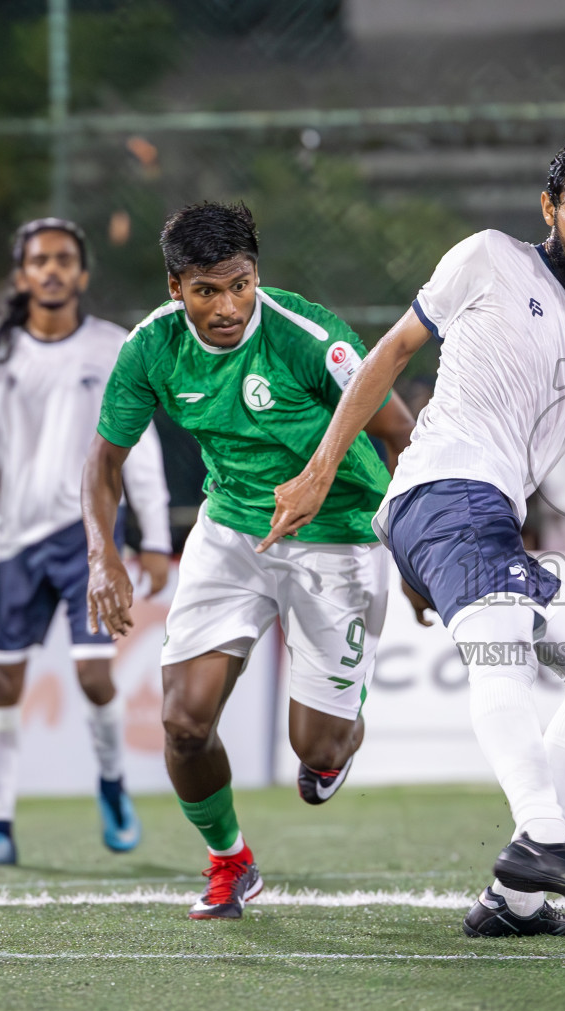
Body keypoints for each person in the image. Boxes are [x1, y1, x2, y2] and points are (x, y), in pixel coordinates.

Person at [258, 135, 565, 939]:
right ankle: (543, 838)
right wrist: (319, 469)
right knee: (505, 648)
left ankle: (515, 900)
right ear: (549, 209)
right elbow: (387, 356)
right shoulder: (487, 259)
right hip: (443, 488)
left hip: (486, 520)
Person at [82, 201, 416, 920]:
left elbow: (402, 434)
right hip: (232, 533)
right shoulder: (152, 348)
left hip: (339, 538)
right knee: (184, 722)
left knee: (317, 748)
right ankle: (230, 861)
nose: (228, 306)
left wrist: (416, 550)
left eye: (240, 284)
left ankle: (334, 741)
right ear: (176, 288)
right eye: (207, 290)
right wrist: (101, 554)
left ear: (256, 274)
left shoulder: (307, 336)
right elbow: (104, 461)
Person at [0, 219, 173, 867]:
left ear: (82, 274)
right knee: (1, 682)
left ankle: (112, 783)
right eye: (39, 260)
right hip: (16, 543)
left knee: (93, 673)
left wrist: (154, 536)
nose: (51, 270)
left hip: (89, 536)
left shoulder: (113, 347)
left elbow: (138, 445)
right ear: (21, 275)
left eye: (64, 260)